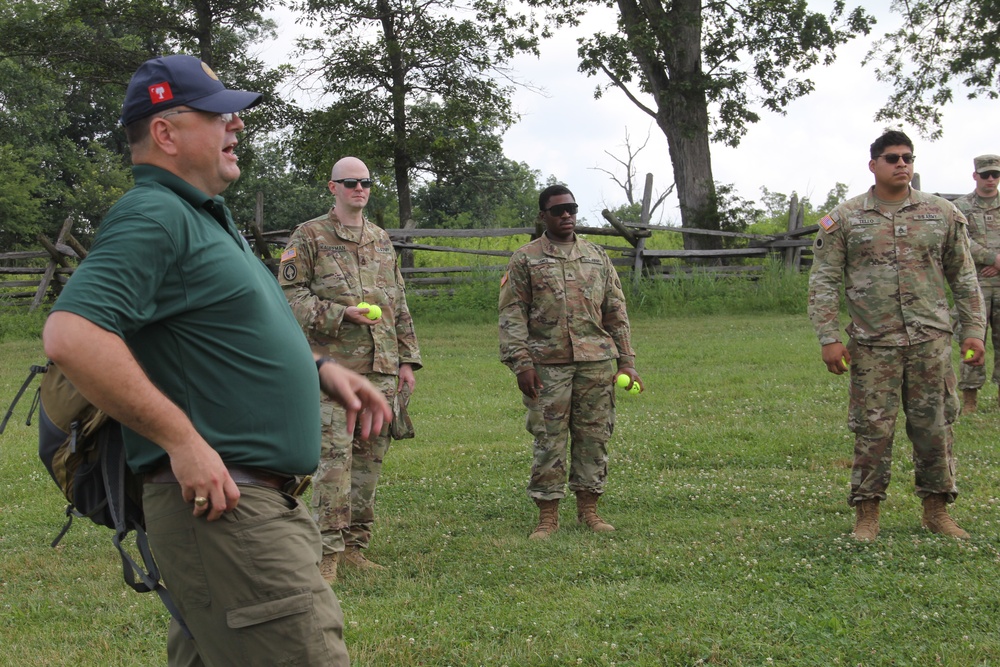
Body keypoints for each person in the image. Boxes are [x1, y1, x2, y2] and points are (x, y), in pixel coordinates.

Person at [42, 55, 391, 666]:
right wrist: (182, 440)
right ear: (166, 133)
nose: (236, 126)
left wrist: (316, 368)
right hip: (229, 511)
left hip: (244, 511)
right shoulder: (154, 213)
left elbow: (226, 333)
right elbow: (72, 335)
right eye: (217, 114)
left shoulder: (201, 217)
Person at [808, 129, 986, 543]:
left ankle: (936, 510)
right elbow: (824, 280)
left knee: (935, 426)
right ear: (873, 165)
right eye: (892, 158)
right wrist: (828, 336)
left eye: (908, 157)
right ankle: (867, 514)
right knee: (873, 428)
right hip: (872, 345)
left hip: (931, 342)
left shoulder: (941, 214)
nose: (902, 163)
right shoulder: (847, 218)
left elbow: (964, 276)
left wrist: (973, 330)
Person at [280, 156, 421, 581]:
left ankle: (357, 543)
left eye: (365, 183)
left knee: (369, 459)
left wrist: (408, 360)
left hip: (380, 366)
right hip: (331, 369)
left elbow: (398, 301)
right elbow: (290, 299)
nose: (359, 188)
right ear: (332, 188)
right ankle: (326, 554)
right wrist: (342, 315)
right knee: (333, 461)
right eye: (350, 182)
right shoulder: (308, 236)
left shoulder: (381, 239)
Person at [499, 184, 642, 539]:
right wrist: (522, 363)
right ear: (543, 215)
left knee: (594, 436)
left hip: (596, 363)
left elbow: (616, 311)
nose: (566, 215)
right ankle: (547, 516)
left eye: (572, 209)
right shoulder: (526, 259)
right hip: (548, 365)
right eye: (558, 210)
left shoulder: (596, 257)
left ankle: (589, 510)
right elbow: (512, 314)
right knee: (549, 439)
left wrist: (627, 361)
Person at [952, 154, 1000, 414]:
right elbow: (961, 241)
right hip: (975, 284)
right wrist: (992, 258)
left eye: (995, 174)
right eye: (985, 175)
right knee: (972, 339)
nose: (991, 179)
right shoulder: (961, 207)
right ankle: (970, 397)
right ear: (975, 176)